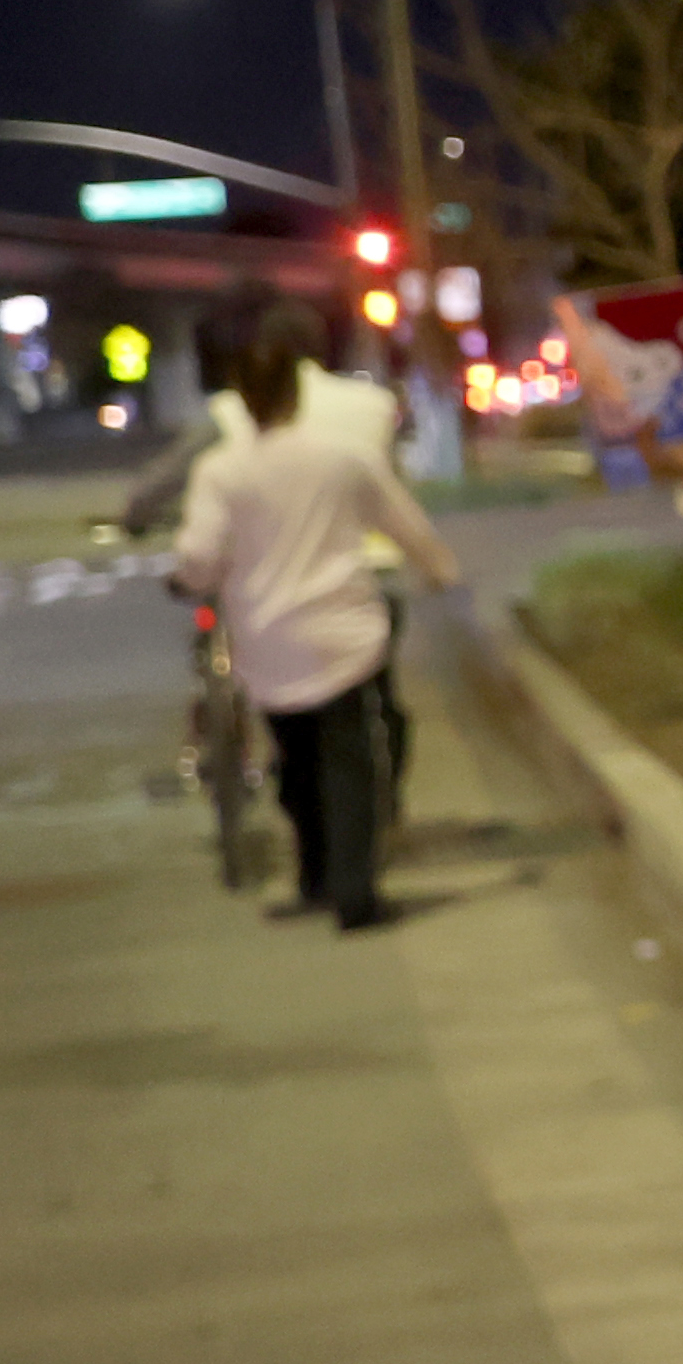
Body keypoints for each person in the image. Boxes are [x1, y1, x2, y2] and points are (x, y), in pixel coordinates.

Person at [174, 296, 462, 931]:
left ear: (243, 399)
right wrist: (441, 571)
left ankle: (313, 876)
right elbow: (405, 525)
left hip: (266, 639)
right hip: (343, 631)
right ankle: (357, 890)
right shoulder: (341, 456)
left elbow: (197, 555)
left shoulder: (220, 470)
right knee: (351, 758)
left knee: (296, 757)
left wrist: (185, 578)